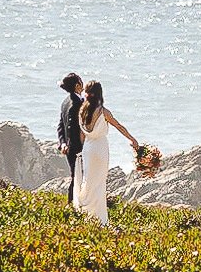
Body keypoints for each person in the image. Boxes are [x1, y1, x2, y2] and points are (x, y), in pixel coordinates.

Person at [72, 79, 142, 225]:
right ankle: (100, 218)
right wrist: (132, 139)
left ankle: (85, 211)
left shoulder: (82, 111)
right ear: (99, 94)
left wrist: (82, 148)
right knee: (99, 183)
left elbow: (82, 134)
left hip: (88, 149)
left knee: (89, 181)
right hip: (101, 148)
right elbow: (119, 126)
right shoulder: (103, 112)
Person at [56, 73, 84, 203]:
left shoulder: (65, 102)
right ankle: (72, 203)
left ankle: (75, 202)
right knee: (77, 176)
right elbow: (72, 129)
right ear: (78, 85)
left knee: (76, 175)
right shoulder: (76, 104)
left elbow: (60, 125)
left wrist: (62, 143)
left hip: (68, 146)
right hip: (77, 147)